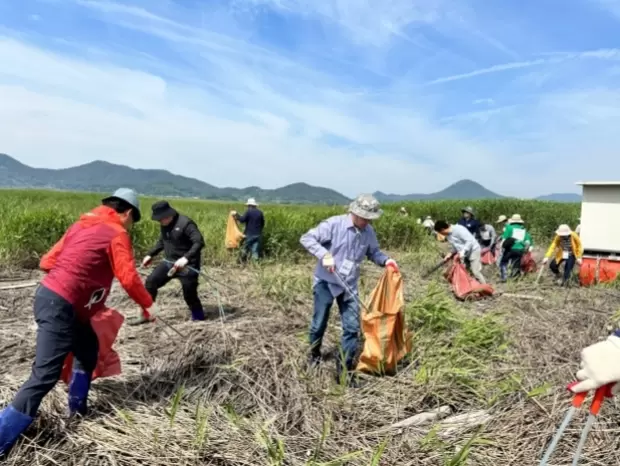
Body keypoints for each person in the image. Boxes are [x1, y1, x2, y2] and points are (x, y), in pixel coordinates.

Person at [0, 188, 158, 456]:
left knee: (87, 349)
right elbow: (129, 278)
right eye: (133, 221)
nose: (130, 226)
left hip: (58, 302)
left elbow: (47, 261)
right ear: (128, 213)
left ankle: (77, 409)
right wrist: (146, 303)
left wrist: (80, 278)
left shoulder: (82, 224)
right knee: (44, 376)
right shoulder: (116, 233)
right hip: (60, 307)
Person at [300, 194, 398, 386]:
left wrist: (386, 260)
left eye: (370, 218)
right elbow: (307, 238)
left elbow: (374, 252)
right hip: (327, 282)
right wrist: (324, 255)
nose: (367, 221)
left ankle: (344, 370)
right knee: (319, 323)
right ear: (354, 212)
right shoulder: (334, 224)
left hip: (349, 286)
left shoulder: (368, 231)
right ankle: (314, 354)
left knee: (352, 328)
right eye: (364, 217)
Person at [137, 201, 206, 324]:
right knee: (151, 282)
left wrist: (186, 258)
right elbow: (162, 242)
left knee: (189, 294)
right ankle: (147, 314)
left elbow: (199, 242)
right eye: (159, 220)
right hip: (169, 262)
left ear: (169, 215)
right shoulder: (164, 224)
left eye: (162, 219)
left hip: (188, 265)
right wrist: (150, 254)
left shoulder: (186, 223)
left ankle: (199, 318)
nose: (161, 222)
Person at [433, 220, 486, 284]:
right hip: (464, 253)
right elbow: (455, 246)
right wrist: (449, 254)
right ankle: (472, 287)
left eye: (440, 232)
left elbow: (469, 241)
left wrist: (463, 252)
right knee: (465, 270)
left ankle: (485, 287)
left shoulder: (458, 229)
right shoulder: (448, 235)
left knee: (475, 271)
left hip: (473, 250)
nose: (441, 234)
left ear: (443, 229)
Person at [499, 214, 532, 282]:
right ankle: (514, 279)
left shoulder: (509, 227)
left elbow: (504, 239)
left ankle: (504, 277)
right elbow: (528, 241)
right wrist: (526, 250)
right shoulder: (523, 229)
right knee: (516, 264)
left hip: (510, 249)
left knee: (503, 262)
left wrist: (501, 247)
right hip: (519, 249)